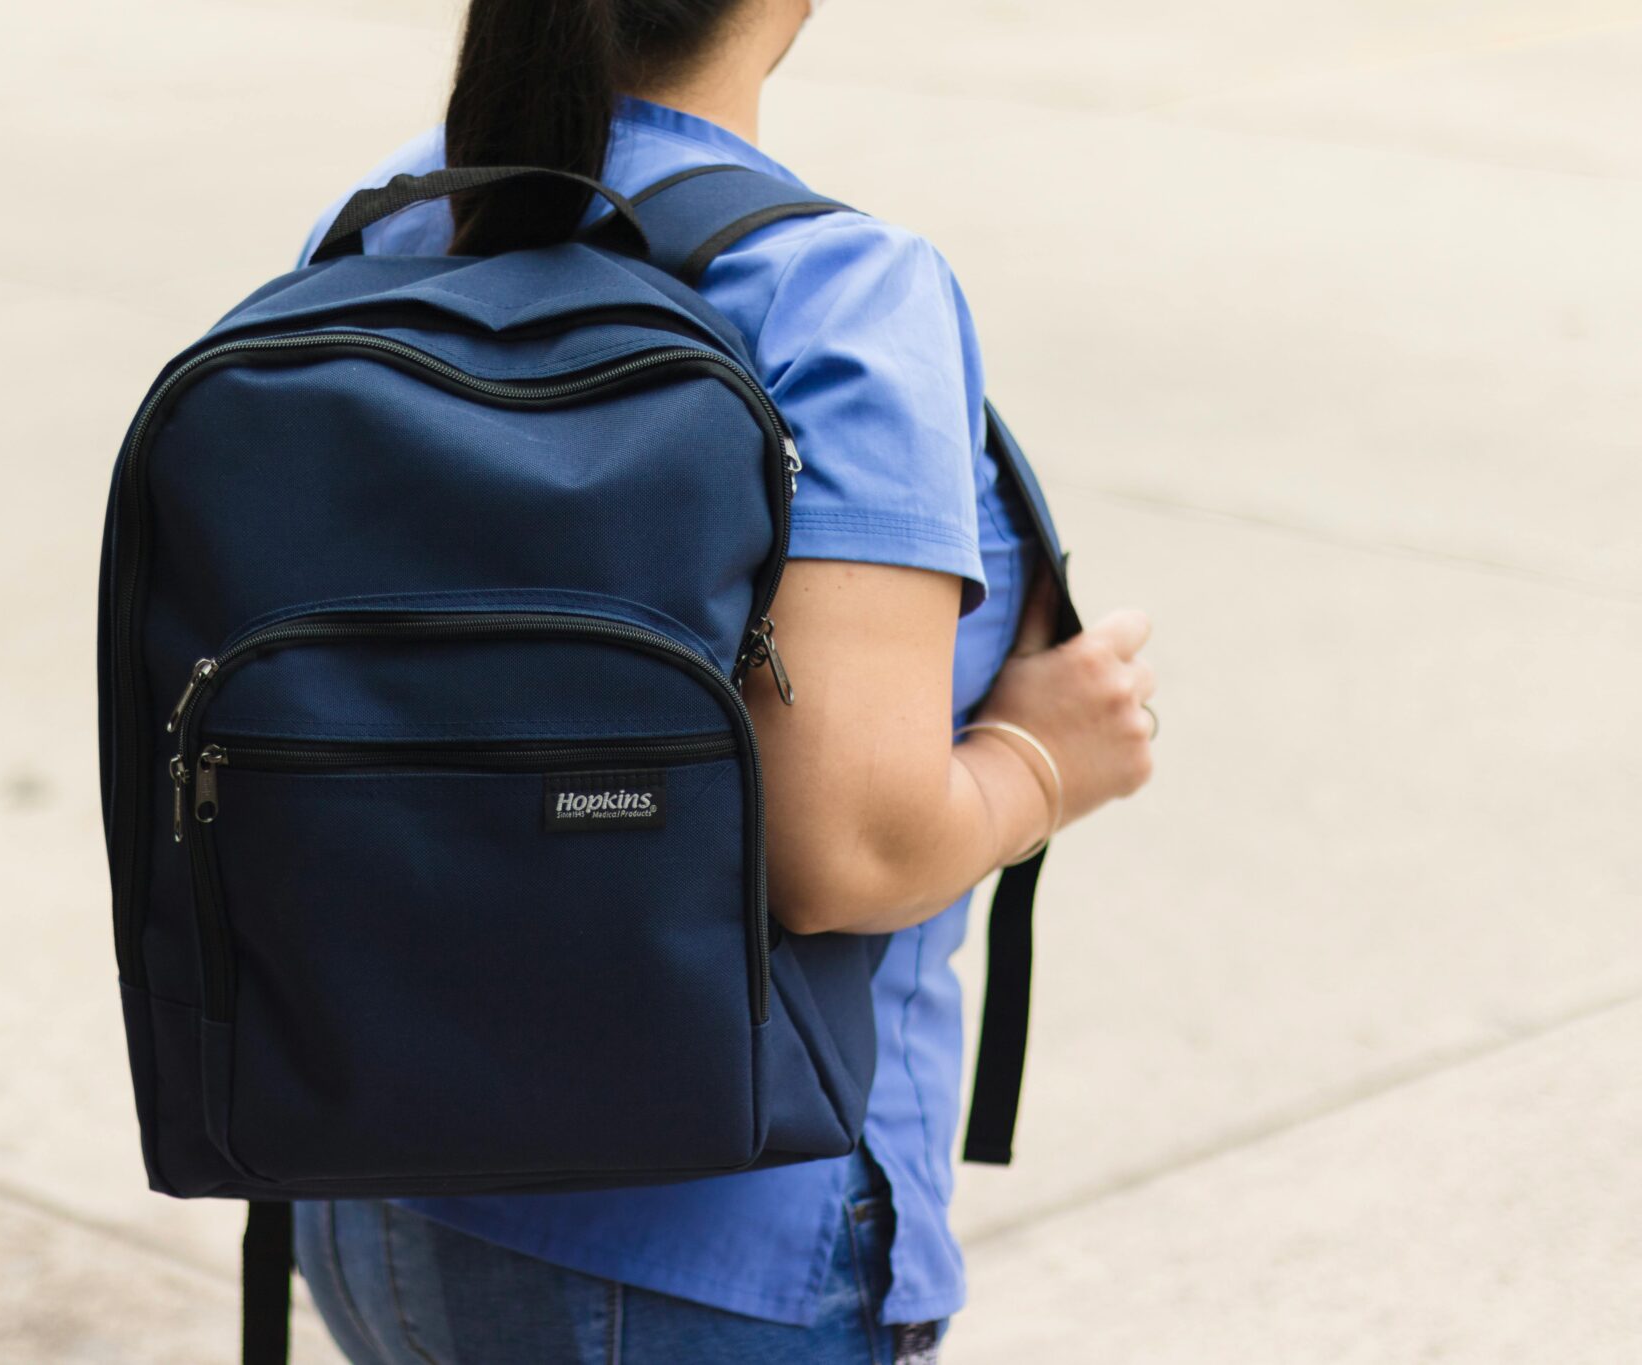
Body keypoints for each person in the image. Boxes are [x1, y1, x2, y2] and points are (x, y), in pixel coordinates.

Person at [289, 1, 1158, 1360]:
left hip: (376, 1188)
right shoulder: (837, 292)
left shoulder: (391, 217)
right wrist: (1045, 761)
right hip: (706, 1252)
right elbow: (846, 850)